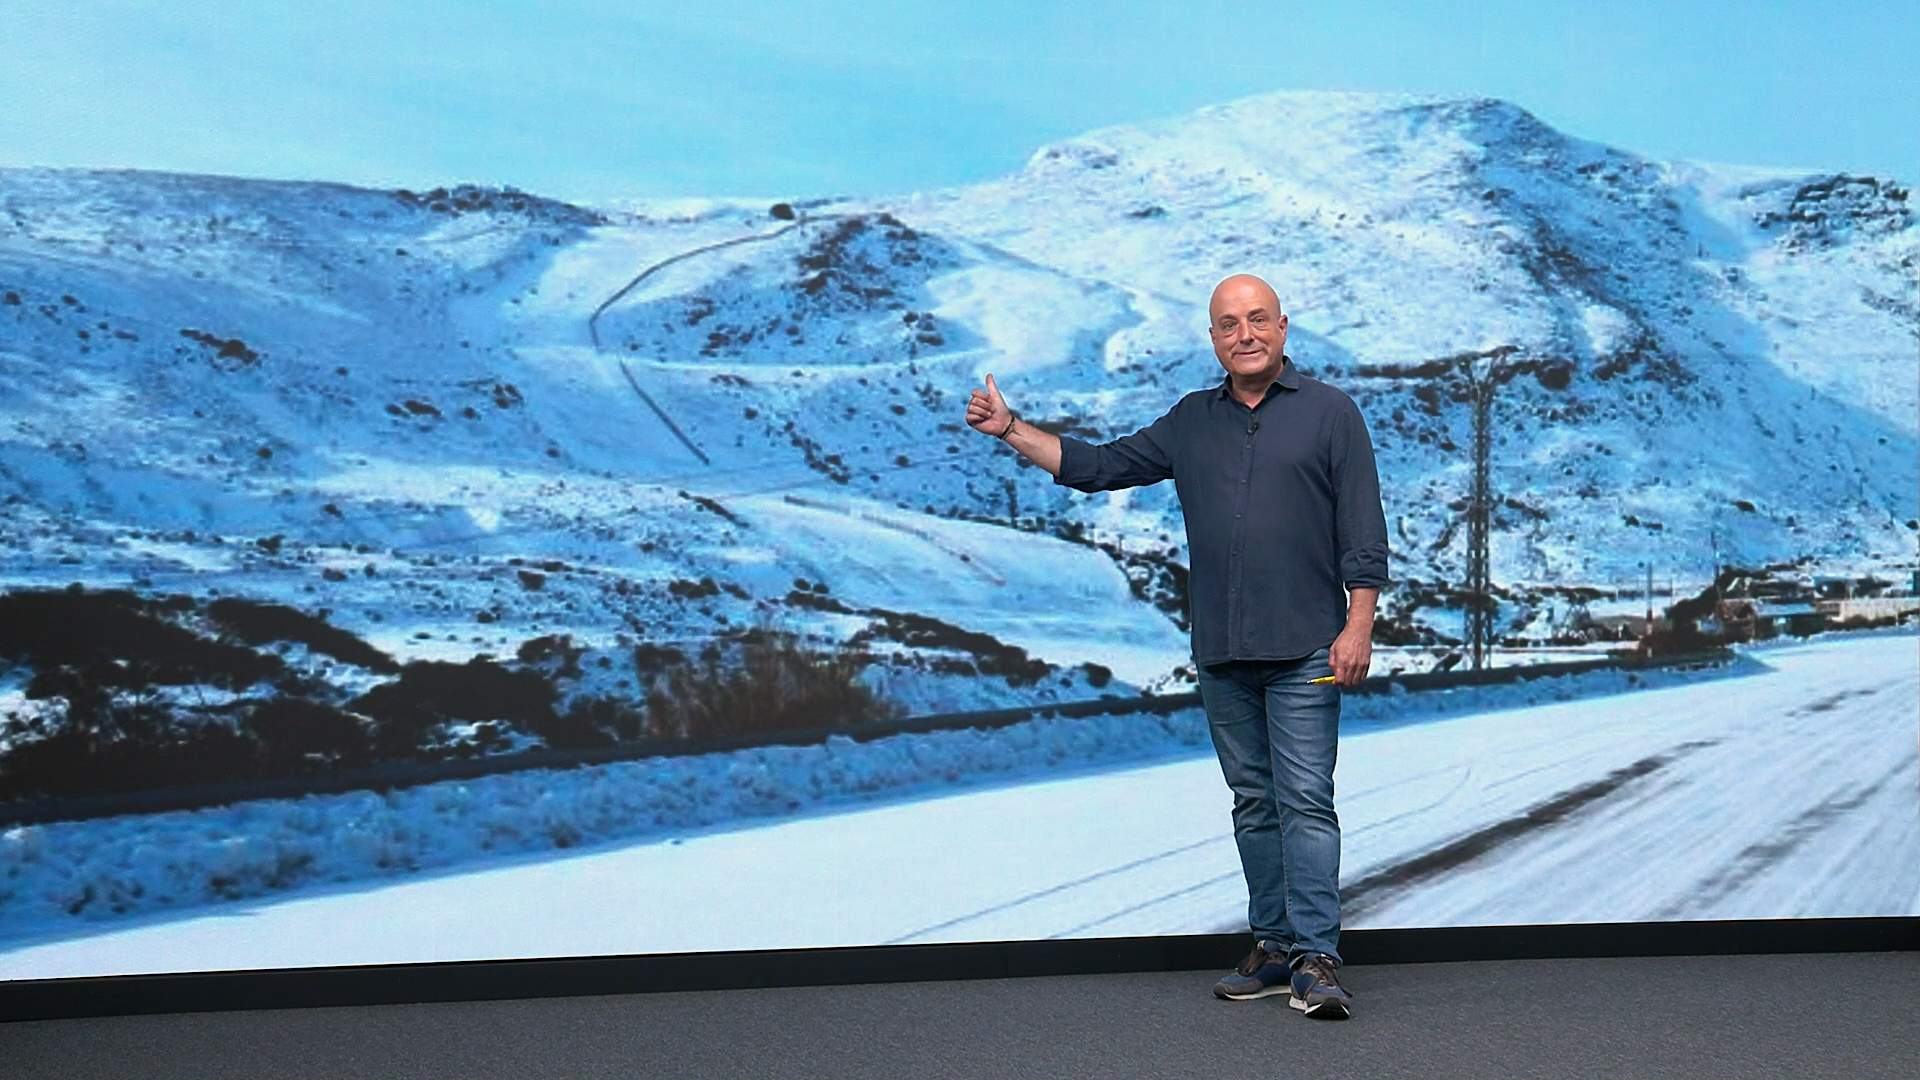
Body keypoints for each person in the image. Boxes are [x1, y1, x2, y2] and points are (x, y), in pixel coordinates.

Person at [964, 274, 1388, 1020]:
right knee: (1253, 803)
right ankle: (1273, 945)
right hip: (1223, 651)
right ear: (1214, 338)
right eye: (1229, 324)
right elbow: (1098, 468)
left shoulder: (1331, 414)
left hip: (1307, 651)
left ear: (1283, 328)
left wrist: (1358, 626)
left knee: (1306, 804)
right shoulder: (1191, 422)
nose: (1245, 333)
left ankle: (1318, 959)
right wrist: (1010, 429)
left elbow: (1362, 529)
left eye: (1258, 319)